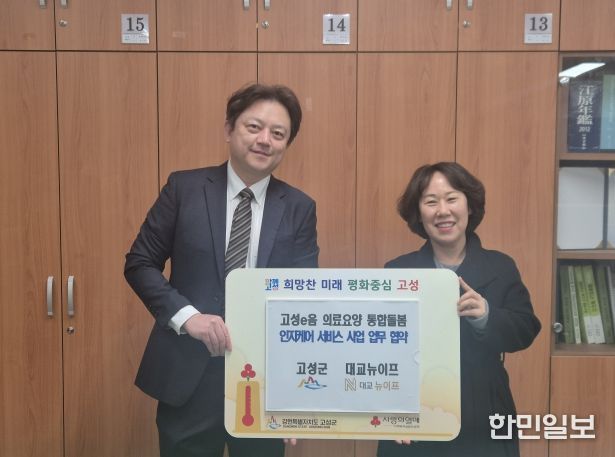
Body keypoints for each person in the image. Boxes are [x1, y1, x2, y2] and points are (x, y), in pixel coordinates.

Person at [124, 83, 319, 457]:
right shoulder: (184, 188)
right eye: (254, 127)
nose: (265, 140)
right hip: (188, 374)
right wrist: (188, 317)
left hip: (264, 384)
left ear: (287, 144)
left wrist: (294, 393)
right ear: (229, 129)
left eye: (278, 134)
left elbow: (302, 297)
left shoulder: (299, 208)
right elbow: (140, 262)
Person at [377, 162, 541, 457]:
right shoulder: (397, 271)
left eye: (451, 198)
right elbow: (381, 349)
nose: (443, 211)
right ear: (418, 213)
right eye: (431, 202)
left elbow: (526, 329)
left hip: (485, 408)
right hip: (416, 412)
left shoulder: (500, 266)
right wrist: (393, 411)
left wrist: (487, 316)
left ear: (469, 205)